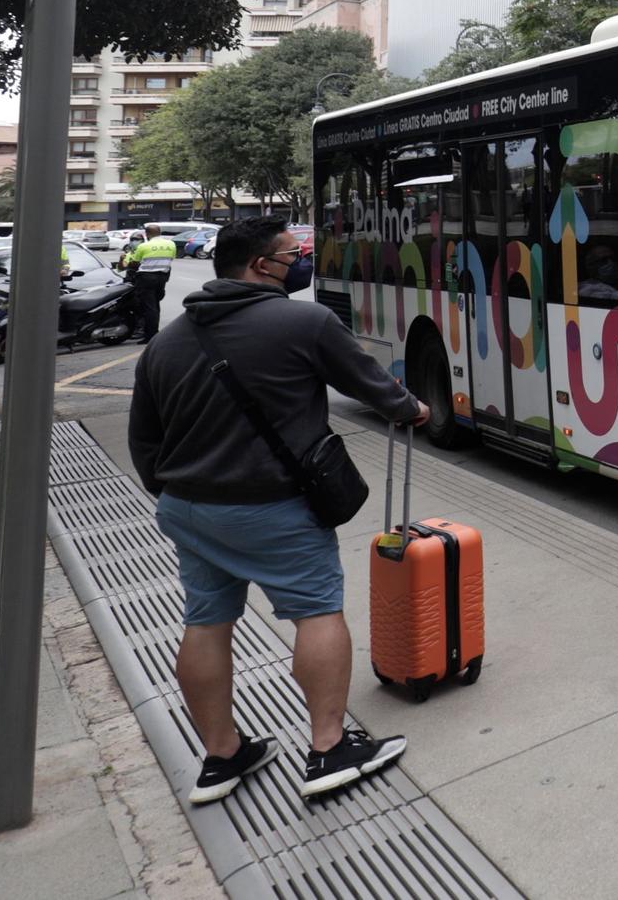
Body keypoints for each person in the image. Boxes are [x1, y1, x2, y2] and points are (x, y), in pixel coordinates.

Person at [129, 218, 428, 804]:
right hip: (273, 507)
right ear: (262, 265)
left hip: (190, 510)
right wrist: (411, 409)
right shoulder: (305, 321)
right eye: (294, 253)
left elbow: (146, 445)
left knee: (206, 621)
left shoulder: (164, 343)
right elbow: (373, 387)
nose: (302, 260)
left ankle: (221, 758)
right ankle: (329, 749)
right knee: (316, 611)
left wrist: (182, 496)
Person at [120, 223, 178, 341]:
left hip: (146, 279)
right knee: (155, 305)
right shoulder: (171, 244)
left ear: (147, 234)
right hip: (162, 278)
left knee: (148, 307)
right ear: (159, 232)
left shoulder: (144, 246)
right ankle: (154, 332)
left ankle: (150, 336)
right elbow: (171, 258)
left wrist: (129, 262)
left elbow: (135, 263)